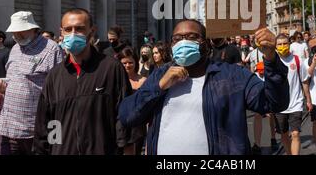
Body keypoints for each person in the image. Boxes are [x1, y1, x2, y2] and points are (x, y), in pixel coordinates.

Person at [119, 20, 290, 155]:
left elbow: (273, 103)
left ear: (206, 45)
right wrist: (159, 86)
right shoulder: (159, 75)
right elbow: (127, 116)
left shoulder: (233, 76)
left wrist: (271, 58)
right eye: (177, 39)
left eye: (192, 37)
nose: (183, 42)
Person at [33, 8, 132, 155]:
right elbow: (47, 123)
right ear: (62, 33)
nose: (73, 34)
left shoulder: (111, 69)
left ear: (91, 31)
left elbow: (124, 117)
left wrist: (126, 149)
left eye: (79, 29)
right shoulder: (55, 76)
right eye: (68, 29)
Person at [0, 11, 63, 155]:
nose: (17, 36)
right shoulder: (14, 49)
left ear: (33, 29)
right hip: (8, 125)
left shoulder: (51, 49)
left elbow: (60, 90)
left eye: (21, 32)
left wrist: (56, 135)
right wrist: (4, 89)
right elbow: (16, 81)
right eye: (14, 32)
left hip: (36, 129)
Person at [274, 34, 312, 155]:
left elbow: (304, 81)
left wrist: (308, 100)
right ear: (275, 46)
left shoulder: (297, 60)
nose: (282, 46)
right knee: (284, 135)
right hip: (279, 105)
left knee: (295, 134)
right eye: (279, 44)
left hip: (296, 103)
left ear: (289, 44)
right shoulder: (272, 61)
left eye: (285, 43)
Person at [117, 47, 147, 155]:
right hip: (120, 126)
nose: (127, 66)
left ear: (136, 62)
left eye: (130, 62)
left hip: (137, 127)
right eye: (124, 63)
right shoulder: (115, 80)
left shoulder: (143, 80)